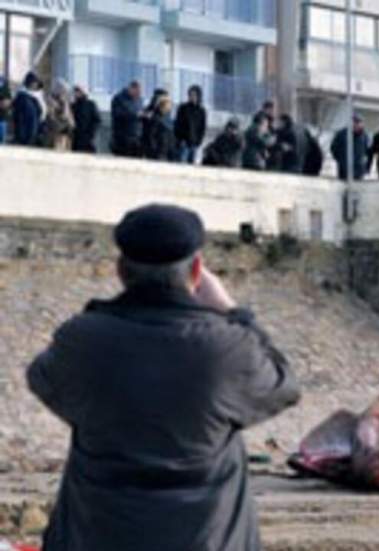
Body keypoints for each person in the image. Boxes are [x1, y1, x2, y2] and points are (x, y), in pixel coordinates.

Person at [27, 204, 300, 551]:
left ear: (121, 270)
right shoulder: (226, 347)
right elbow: (284, 384)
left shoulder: (82, 340)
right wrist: (235, 314)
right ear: (197, 270)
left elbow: (42, 378)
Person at [330, 115, 371, 180]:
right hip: (344, 171)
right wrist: (341, 160)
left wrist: (364, 165)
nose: (356, 125)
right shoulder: (341, 134)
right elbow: (333, 148)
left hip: (359, 171)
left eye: (359, 122)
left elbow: (368, 151)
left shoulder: (365, 136)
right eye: (355, 122)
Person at [175, 85, 207, 164]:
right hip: (184, 142)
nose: (192, 97)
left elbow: (202, 128)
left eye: (194, 95)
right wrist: (179, 139)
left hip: (194, 143)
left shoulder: (201, 111)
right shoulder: (183, 108)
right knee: (181, 162)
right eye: (190, 95)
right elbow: (178, 124)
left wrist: (199, 141)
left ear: (198, 96)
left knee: (191, 164)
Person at [12, 71, 45, 146]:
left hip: (35, 132)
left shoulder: (37, 96)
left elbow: (40, 113)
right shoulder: (23, 96)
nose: (35, 85)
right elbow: (20, 117)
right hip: (26, 133)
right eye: (34, 82)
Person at [111, 81, 143, 158]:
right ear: (131, 89)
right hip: (123, 138)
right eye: (137, 92)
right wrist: (135, 115)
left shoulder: (139, 100)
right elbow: (117, 114)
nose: (138, 94)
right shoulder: (118, 98)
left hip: (136, 137)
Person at [142, 95, 178, 162]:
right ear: (163, 105)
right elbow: (151, 135)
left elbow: (171, 136)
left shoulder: (168, 118)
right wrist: (154, 151)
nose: (170, 107)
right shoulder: (155, 118)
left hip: (167, 152)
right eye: (169, 105)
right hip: (158, 153)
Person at [43, 79, 75, 152]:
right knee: (56, 147)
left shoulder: (65, 100)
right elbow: (51, 114)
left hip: (65, 128)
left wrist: (71, 121)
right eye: (62, 90)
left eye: (64, 91)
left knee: (65, 147)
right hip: (56, 128)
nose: (64, 92)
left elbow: (68, 114)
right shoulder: (51, 99)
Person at [71, 85, 101, 153]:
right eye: (75, 91)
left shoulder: (91, 104)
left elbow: (97, 120)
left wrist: (91, 134)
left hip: (88, 138)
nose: (76, 93)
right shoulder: (73, 105)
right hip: (76, 138)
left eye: (78, 91)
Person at [0, 77, 12, 144]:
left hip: (2, 118)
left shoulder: (5, 88)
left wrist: (4, 103)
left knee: (1, 139)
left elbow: (7, 102)